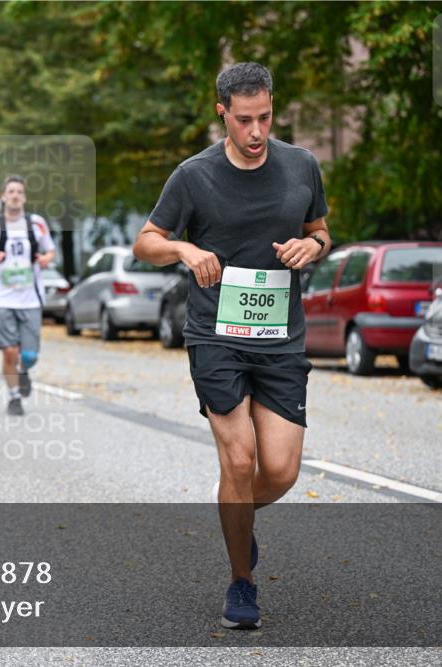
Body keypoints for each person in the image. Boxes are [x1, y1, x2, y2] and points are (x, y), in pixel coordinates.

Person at [132, 62, 331, 631]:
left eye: (265, 117)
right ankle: (242, 581)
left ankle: (234, 515)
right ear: (222, 113)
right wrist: (184, 250)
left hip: (280, 338)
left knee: (281, 472)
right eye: (244, 120)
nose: (256, 131)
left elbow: (320, 230)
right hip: (216, 335)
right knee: (239, 459)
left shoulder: (302, 165)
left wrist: (312, 248)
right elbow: (146, 242)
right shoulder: (194, 175)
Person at [0, 176, 56, 416]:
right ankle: (14, 397)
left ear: (24, 197)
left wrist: (46, 259)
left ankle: (24, 371)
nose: (15, 195)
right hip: (2, 299)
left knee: (29, 356)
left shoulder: (37, 224)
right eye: (11, 191)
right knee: (9, 351)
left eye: (19, 192)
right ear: (4, 197)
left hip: (31, 299)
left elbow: (50, 250)